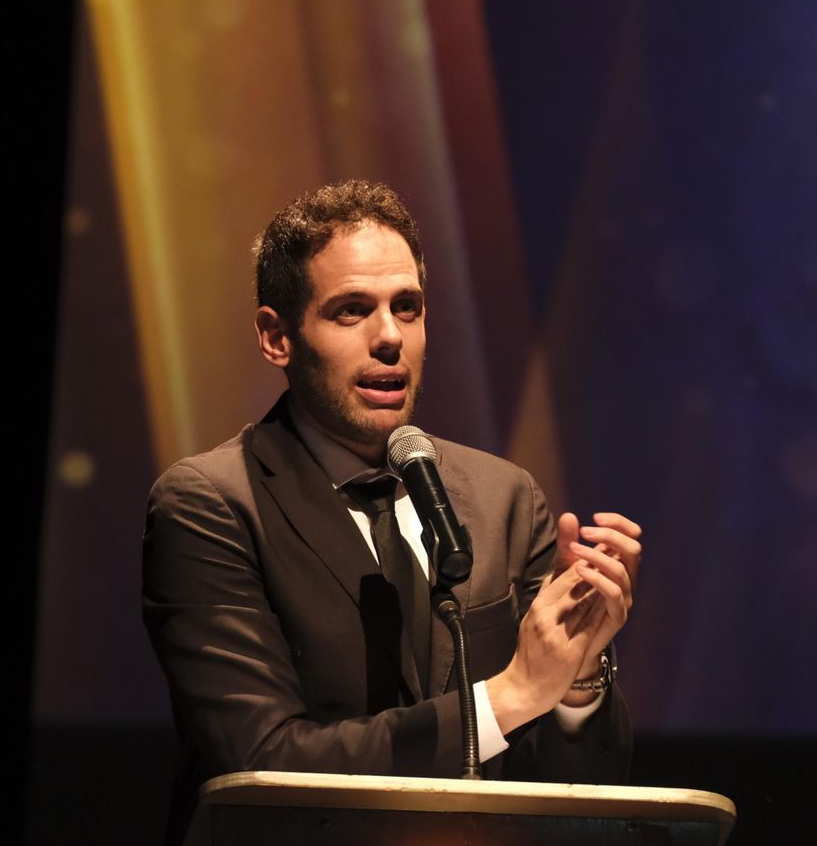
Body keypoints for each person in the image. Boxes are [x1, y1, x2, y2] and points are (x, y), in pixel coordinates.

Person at [141, 179, 638, 841]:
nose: (389, 337)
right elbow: (265, 768)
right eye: (352, 310)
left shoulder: (504, 498)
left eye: (408, 307)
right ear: (276, 337)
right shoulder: (210, 505)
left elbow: (577, 790)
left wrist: (575, 681)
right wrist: (513, 693)